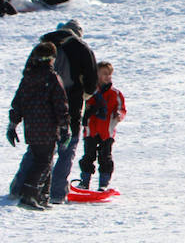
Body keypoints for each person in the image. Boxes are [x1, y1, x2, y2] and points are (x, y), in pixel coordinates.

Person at [41, 19, 99, 204]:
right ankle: (57, 192)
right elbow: (91, 81)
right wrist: (85, 96)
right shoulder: (81, 48)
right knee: (67, 148)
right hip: (70, 106)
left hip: (43, 105)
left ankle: (33, 188)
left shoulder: (46, 44)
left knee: (43, 149)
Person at [6, 42, 69, 210]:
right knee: (43, 161)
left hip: (32, 128)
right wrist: (65, 127)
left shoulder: (28, 78)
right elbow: (60, 104)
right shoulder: (51, 78)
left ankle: (42, 197)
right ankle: (29, 195)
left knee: (44, 160)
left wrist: (13, 125)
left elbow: (18, 102)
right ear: (51, 59)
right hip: (48, 127)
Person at [78, 61, 126, 191]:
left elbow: (122, 109)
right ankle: (84, 181)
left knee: (105, 157)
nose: (108, 77)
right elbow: (81, 105)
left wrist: (119, 115)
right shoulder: (90, 92)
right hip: (91, 130)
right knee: (88, 156)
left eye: (109, 74)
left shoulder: (115, 93)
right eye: (104, 73)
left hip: (107, 131)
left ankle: (103, 183)